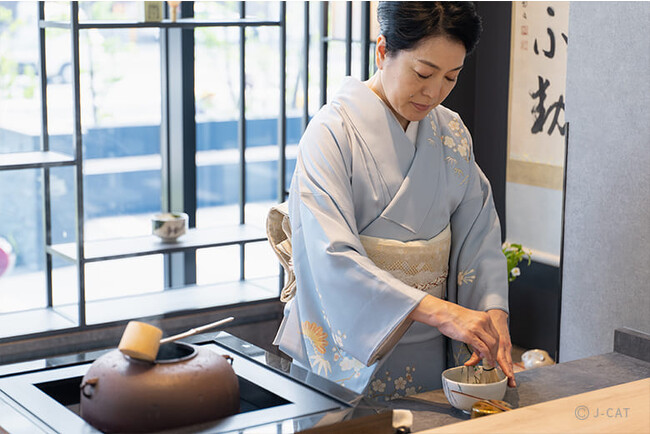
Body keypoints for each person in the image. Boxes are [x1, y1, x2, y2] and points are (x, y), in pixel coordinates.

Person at [272, 1, 515, 401]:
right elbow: (329, 255)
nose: (434, 93)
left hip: (433, 350)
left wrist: (493, 313)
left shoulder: (451, 133)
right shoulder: (331, 134)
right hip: (353, 351)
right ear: (383, 51)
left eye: (451, 78)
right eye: (423, 73)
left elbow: (479, 237)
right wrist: (442, 312)